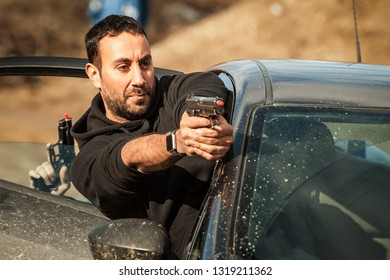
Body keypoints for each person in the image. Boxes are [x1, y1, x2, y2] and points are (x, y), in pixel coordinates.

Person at [30, 15, 231, 259]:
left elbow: (204, 82)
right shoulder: (89, 159)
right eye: (123, 67)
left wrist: (197, 115)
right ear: (94, 75)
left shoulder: (170, 91)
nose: (139, 79)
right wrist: (176, 142)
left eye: (145, 63)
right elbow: (124, 158)